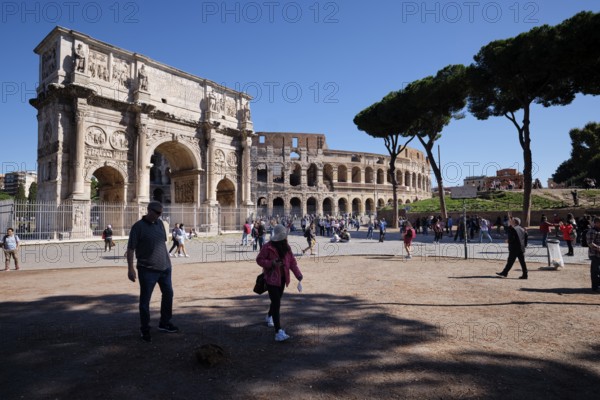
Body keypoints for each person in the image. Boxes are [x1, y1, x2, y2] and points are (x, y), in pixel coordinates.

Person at [127, 201, 179, 342]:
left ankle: (165, 323)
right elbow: (131, 249)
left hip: (165, 268)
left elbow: (162, 243)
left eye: (161, 213)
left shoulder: (160, 224)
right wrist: (130, 268)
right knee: (145, 301)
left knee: (168, 294)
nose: (159, 215)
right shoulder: (138, 227)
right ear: (148, 210)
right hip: (147, 269)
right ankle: (145, 329)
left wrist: (168, 261)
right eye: (157, 212)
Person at [256, 224, 303, 342]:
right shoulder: (268, 247)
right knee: (276, 303)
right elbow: (259, 260)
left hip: (283, 278)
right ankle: (278, 331)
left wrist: (298, 275)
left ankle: (268, 316)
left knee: (276, 301)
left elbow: (292, 262)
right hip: (271, 278)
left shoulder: (286, 247)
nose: (285, 238)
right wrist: (272, 263)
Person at [585, 217, 600, 292]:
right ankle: (595, 287)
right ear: (596, 223)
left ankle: (598, 285)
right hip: (594, 254)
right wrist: (598, 248)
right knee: (595, 271)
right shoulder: (592, 231)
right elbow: (590, 243)